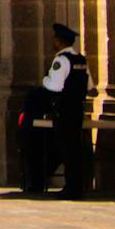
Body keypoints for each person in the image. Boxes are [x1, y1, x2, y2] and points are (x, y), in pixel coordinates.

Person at [42, 21, 89, 199]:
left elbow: (55, 86)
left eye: (55, 39)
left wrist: (45, 80)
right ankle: (76, 186)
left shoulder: (61, 60)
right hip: (77, 109)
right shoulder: (80, 59)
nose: (53, 42)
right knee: (75, 148)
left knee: (66, 149)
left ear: (60, 42)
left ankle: (71, 188)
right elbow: (89, 84)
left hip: (64, 110)